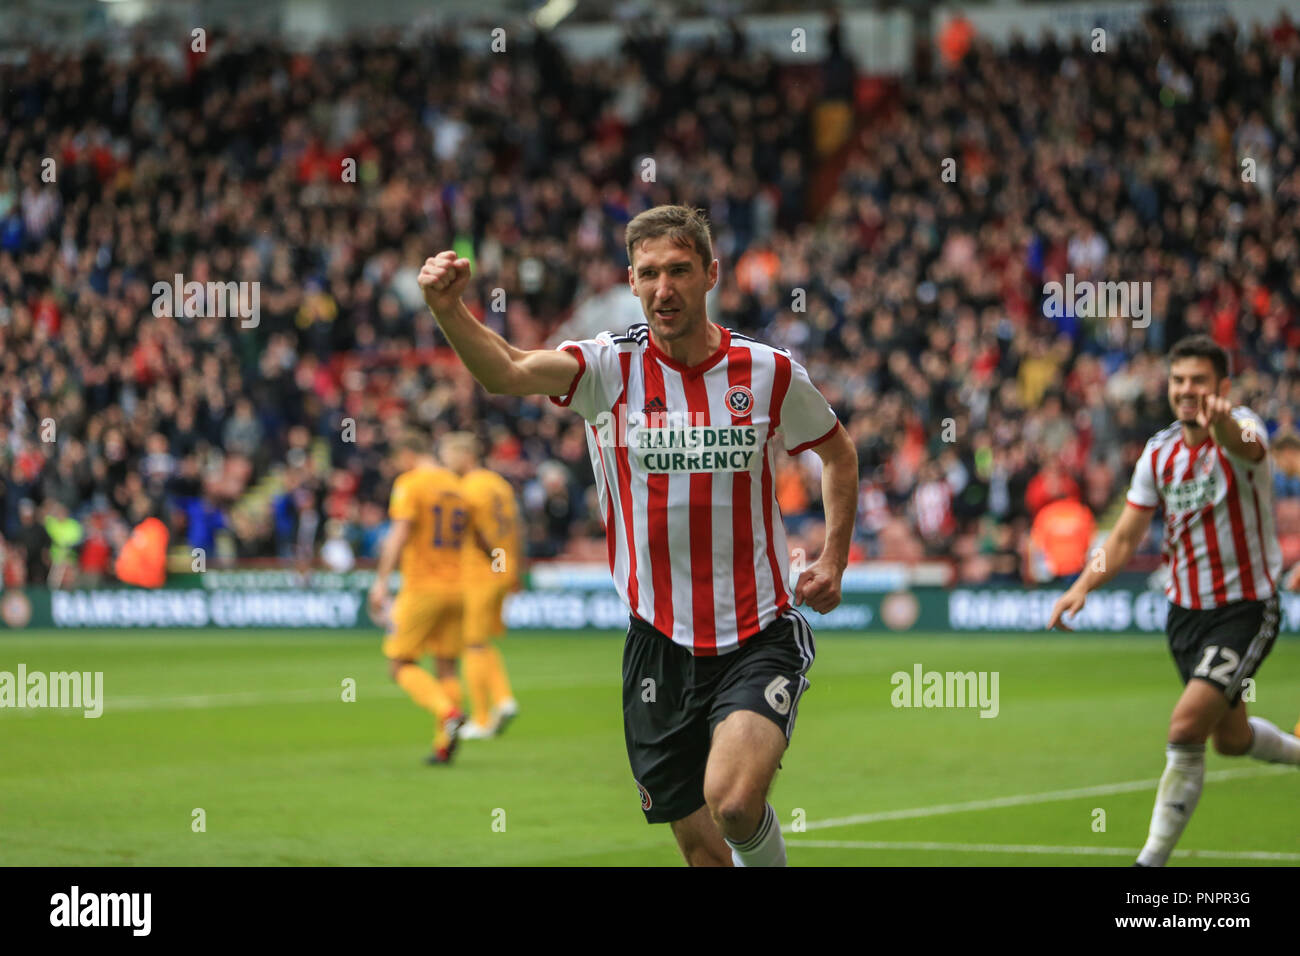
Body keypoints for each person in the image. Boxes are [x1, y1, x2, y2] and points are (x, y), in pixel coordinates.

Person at [419, 204, 859, 867]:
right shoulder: (606, 369)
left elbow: (839, 453)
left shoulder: (766, 373)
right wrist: (449, 311)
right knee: (702, 851)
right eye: (650, 273)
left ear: (711, 274)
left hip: (756, 632)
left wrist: (834, 557)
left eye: (680, 270)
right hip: (656, 643)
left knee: (734, 801)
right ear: (630, 280)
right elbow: (505, 370)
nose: (665, 288)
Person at [1048, 335, 1299, 867]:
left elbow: (1247, 445)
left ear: (1222, 387)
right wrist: (1080, 586)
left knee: (1186, 727)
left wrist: (1223, 420)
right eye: (1179, 380)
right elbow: (1121, 539)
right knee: (1231, 739)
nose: (1187, 391)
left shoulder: (1244, 427)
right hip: (1184, 617)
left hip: (1246, 608)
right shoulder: (1158, 454)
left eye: (1199, 381)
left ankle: (1149, 865)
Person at [368, 431, 477, 765]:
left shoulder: (410, 483)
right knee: (446, 665)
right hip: (458, 587)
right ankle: (444, 745)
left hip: (422, 587)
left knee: (399, 664)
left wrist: (381, 581)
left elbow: (399, 532)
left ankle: (448, 712)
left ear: (407, 455)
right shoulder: (459, 486)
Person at [438, 431, 522, 739]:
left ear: (465, 456)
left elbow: (469, 532)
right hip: (505, 567)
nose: (445, 462)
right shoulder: (499, 484)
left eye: (448, 455)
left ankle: (483, 718)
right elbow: (517, 528)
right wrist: (513, 571)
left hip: (480, 570)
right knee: (483, 641)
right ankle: (504, 700)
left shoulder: (466, 488)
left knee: (472, 644)